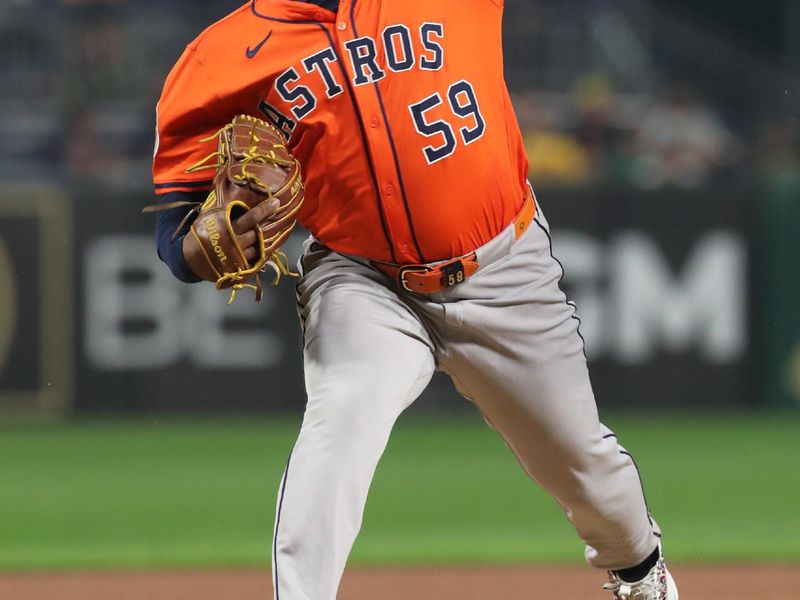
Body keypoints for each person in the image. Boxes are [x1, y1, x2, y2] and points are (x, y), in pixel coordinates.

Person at [151, 1, 679, 599]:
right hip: (362, 278)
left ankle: (639, 572)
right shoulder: (219, 58)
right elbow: (175, 232)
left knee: (582, 464)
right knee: (344, 411)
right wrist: (197, 248)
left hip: (503, 269)